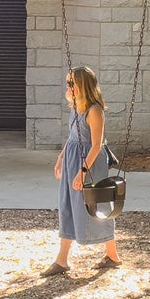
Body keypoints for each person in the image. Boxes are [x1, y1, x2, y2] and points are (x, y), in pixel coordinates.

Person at [47, 67, 118, 276]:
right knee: (68, 204)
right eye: (67, 82)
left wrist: (83, 172)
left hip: (89, 164)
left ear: (82, 85)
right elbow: (72, 138)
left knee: (95, 206)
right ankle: (62, 260)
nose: (68, 86)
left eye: (71, 83)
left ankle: (113, 255)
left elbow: (96, 145)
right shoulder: (76, 107)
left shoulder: (94, 111)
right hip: (72, 161)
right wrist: (60, 158)